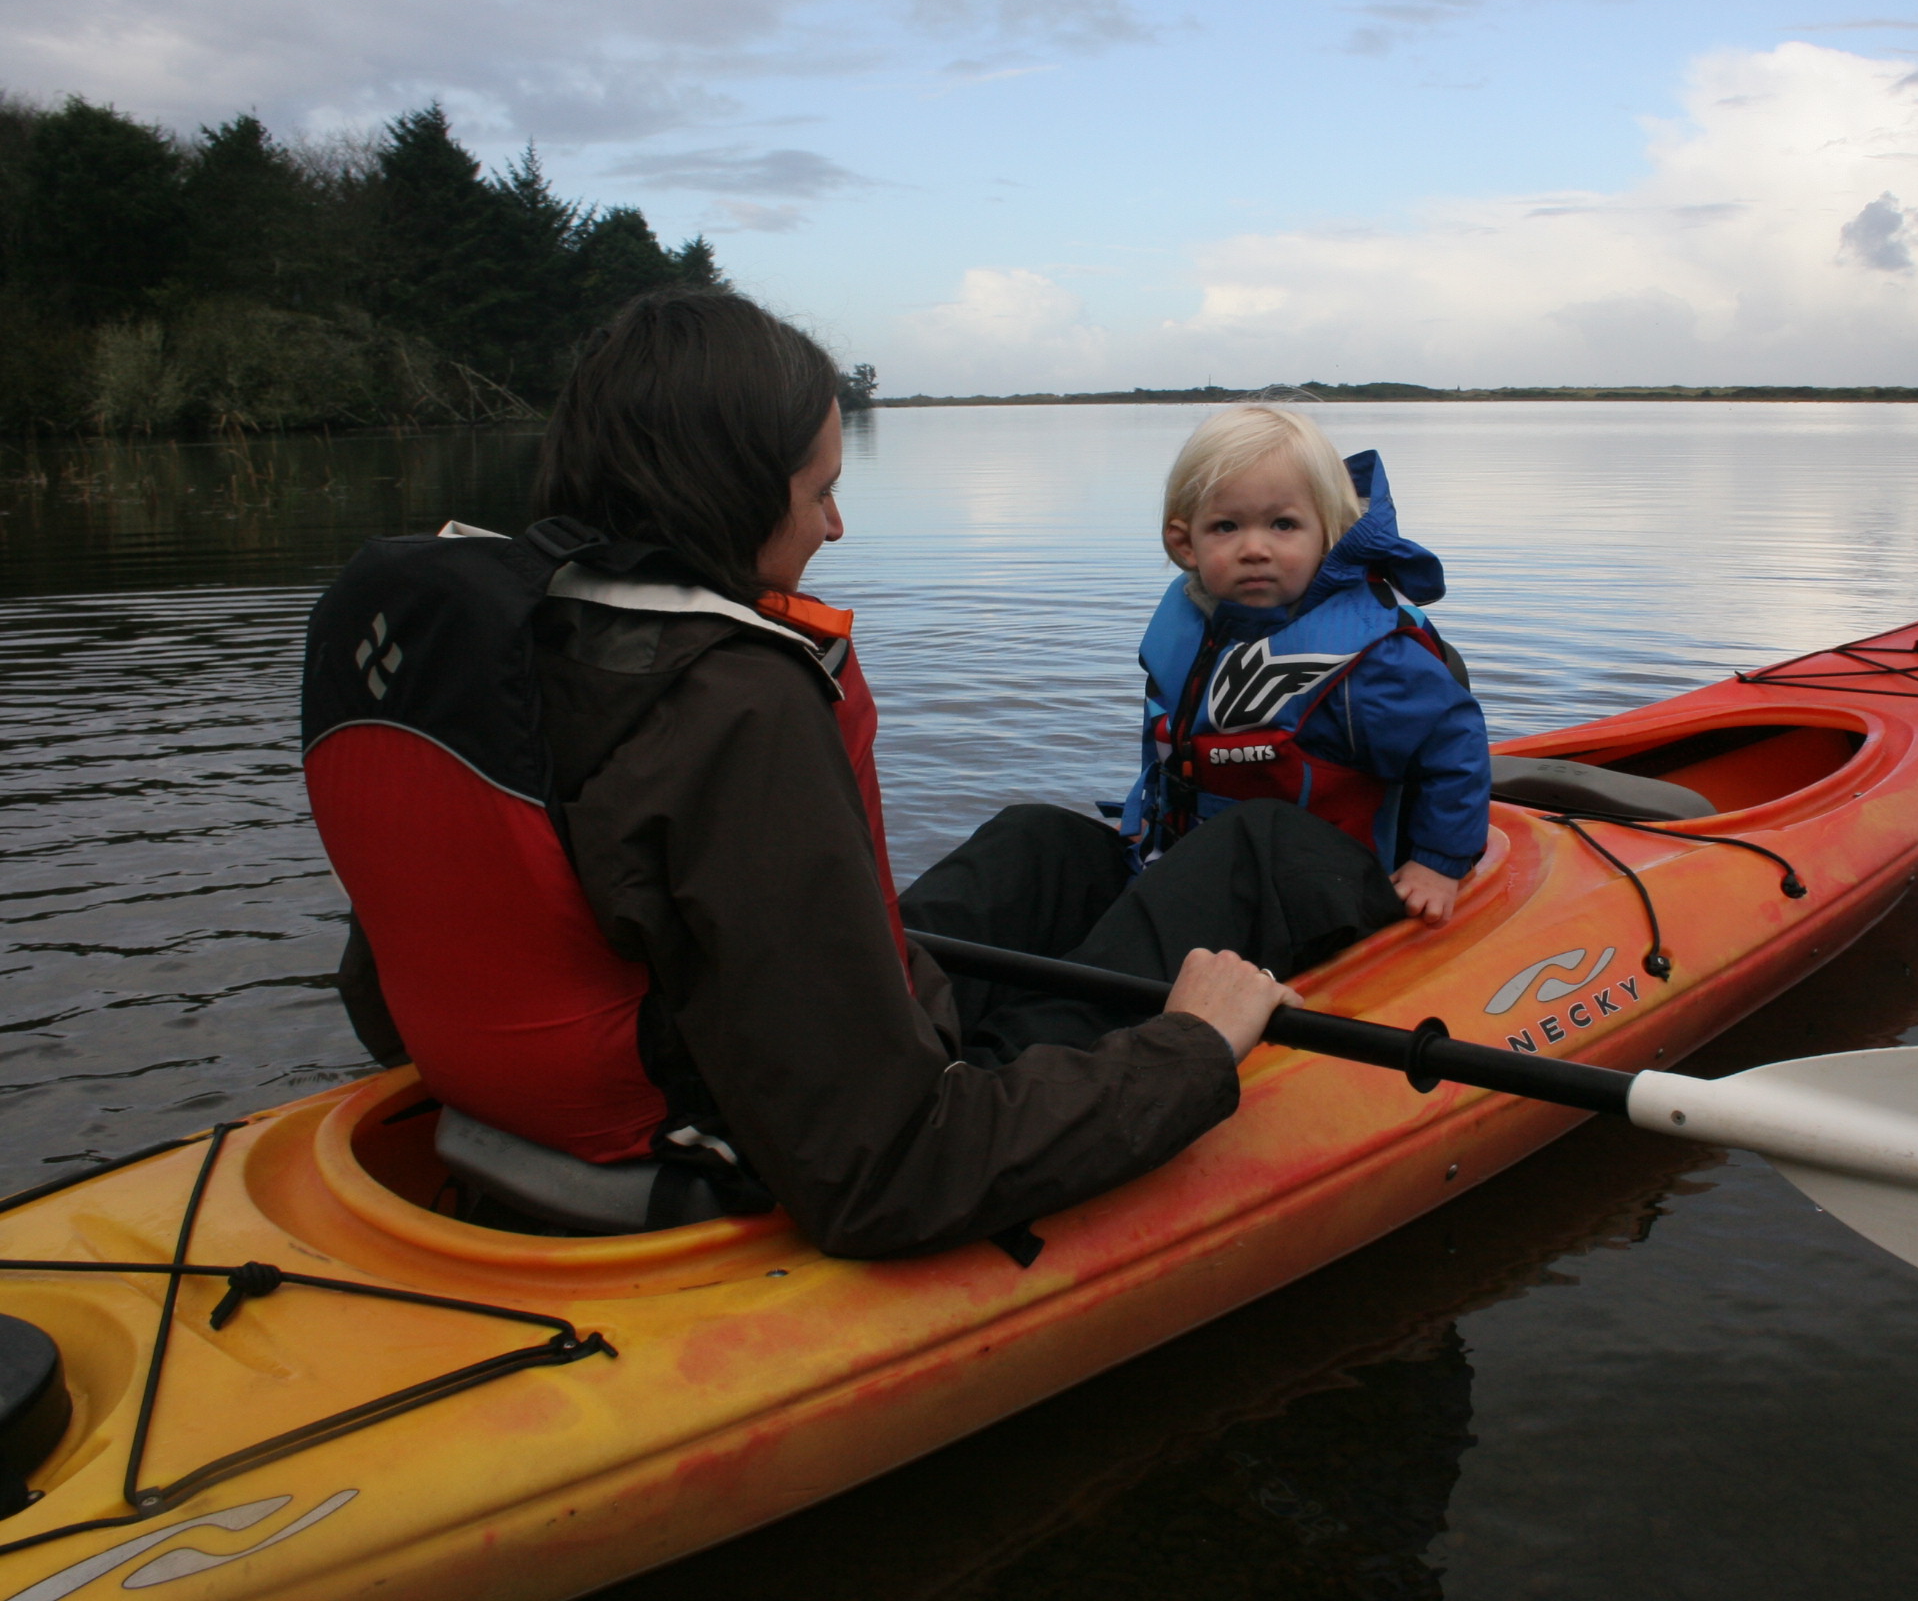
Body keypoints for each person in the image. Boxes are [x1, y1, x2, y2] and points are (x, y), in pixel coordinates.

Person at [309, 289, 1323, 1260]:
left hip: (554, 1088)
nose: (834, 528)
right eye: (820, 491)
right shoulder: (733, 701)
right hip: (732, 1146)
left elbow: (387, 985)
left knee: (1046, 849)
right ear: (729, 491)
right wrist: (1190, 1046)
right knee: (1253, 857)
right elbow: (889, 1169)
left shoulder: (501, 647)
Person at [1119, 406, 1490, 926]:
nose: (1254, 548)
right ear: (1185, 543)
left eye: (1283, 524)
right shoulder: (1191, 628)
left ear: (1330, 534)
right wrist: (1146, 816)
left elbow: (1455, 747)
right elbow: (1165, 735)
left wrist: (1438, 864)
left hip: (1315, 893)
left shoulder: (1373, 661)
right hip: (1198, 863)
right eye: (1226, 526)